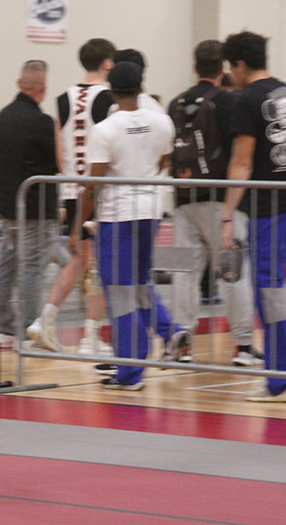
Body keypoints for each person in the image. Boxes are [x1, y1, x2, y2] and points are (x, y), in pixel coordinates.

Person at [79, 61, 190, 391]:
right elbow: (164, 162)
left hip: (118, 216)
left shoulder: (106, 128)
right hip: (151, 212)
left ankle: (131, 370)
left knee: (120, 293)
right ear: (142, 87)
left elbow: (93, 184)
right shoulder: (163, 122)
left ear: (111, 92)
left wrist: (76, 225)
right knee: (139, 285)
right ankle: (163, 337)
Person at [221, 31, 286, 402]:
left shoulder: (246, 100)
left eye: (232, 68)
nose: (232, 74)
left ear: (240, 65)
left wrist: (228, 213)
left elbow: (242, 162)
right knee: (273, 284)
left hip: (268, 207)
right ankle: (281, 370)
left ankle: (282, 378)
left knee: (268, 285)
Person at [169, 40, 257, 366]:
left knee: (183, 273)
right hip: (221, 201)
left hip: (181, 199)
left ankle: (182, 344)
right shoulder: (228, 101)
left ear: (194, 67)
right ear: (222, 69)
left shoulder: (175, 102)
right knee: (232, 273)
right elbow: (239, 152)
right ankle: (244, 347)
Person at [27, 38, 115, 357]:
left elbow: (59, 149)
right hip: (99, 187)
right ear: (107, 63)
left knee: (79, 261)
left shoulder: (64, 96)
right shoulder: (109, 96)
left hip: (72, 187)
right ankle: (91, 334)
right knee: (102, 262)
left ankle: (44, 319)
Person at [0, 60, 60, 349]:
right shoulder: (43, 122)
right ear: (43, 89)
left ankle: (4, 327)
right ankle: (28, 329)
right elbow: (56, 164)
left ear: (20, 84)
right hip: (35, 209)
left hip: (8, 208)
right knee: (32, 268)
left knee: (7, 265)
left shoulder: (3, 116)